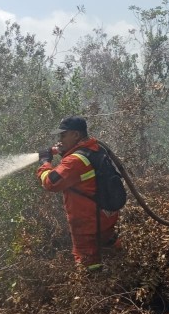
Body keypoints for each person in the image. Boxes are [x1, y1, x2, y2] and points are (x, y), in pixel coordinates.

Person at [36, 116, 120, 271]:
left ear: (76, 135)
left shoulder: (75, 161)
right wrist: (61, 152)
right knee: (110, 249)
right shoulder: (95, 148)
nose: (59, 140)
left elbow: (50, 182)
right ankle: (125, 271)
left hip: (87, 223)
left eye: (63, 135)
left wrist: (44, 163)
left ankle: (96, 289)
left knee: (88, 265)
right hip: (106, 216)